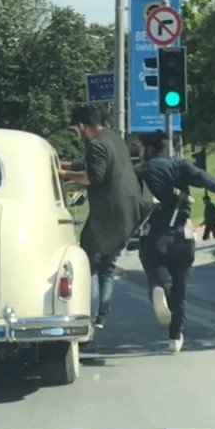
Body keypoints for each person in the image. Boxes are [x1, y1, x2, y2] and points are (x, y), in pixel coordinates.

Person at [137, 131, 215, 353]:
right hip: (183, 233)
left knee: (157, 271)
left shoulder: (141, 171)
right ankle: (176, 335)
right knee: (181, 284)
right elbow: (202, 177)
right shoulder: (180, 166)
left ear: (149, 150)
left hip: (154, 234)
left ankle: (161, 289)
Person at [59, 104, 142, 329]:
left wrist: (63, 174)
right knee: (106, 265)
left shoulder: (96, 144)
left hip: (107, 216)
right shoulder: (114, 139)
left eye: (77, 130)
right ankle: (101, 316)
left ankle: (83, 312)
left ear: (82, 126)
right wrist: (61, 164)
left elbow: (93, 176)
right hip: (127, 214)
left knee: (85, 263)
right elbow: (88, 164)